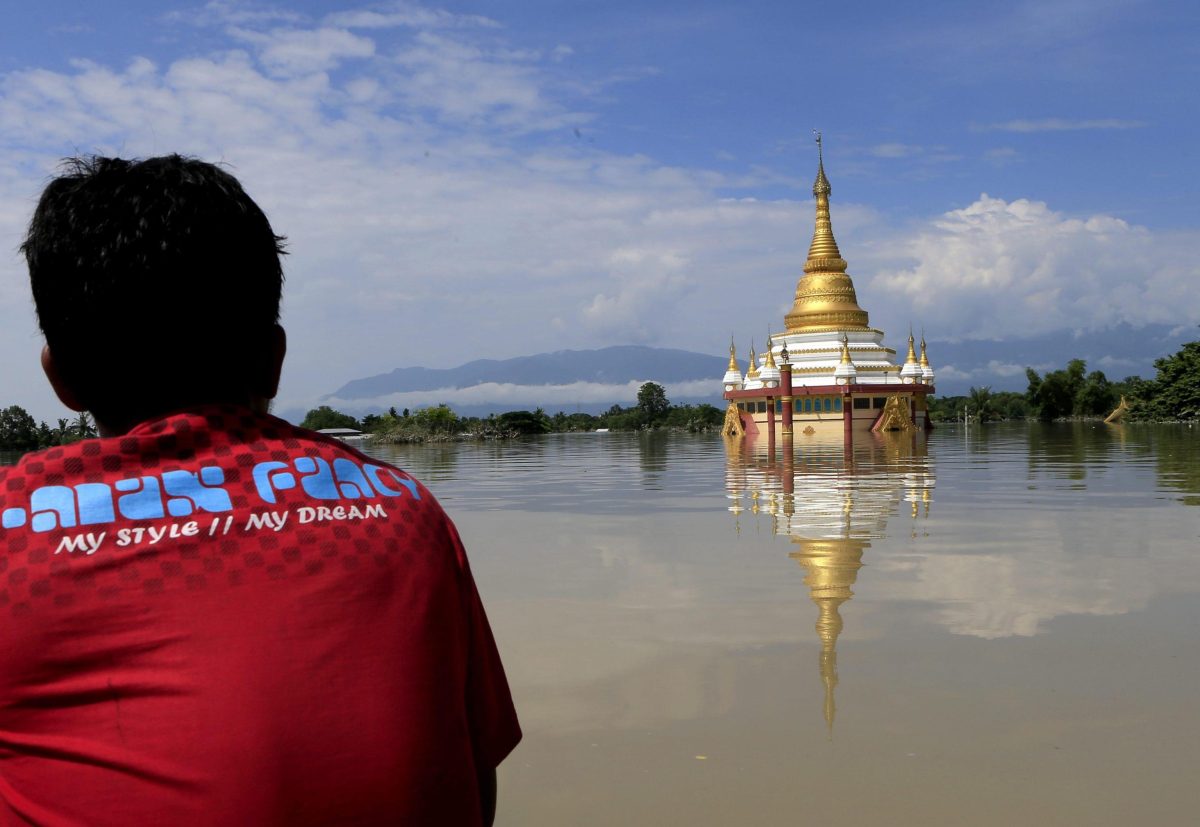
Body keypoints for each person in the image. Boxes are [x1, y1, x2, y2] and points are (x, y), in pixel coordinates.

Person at [0, 155, 520, 825]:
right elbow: (473, 782)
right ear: (274, 359)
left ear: (60, 377)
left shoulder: (12, 534)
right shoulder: (402, 511)